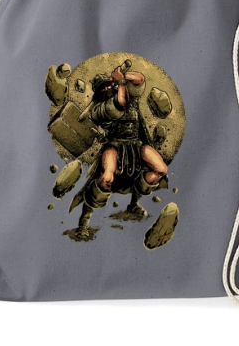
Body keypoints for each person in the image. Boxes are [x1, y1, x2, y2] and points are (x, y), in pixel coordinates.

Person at [69, 62, 168, 238]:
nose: (107, 88)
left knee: (160, 169)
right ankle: (85, 219)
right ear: (98, 93)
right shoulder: (99, 110)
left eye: (109, 85)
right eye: (103, 88)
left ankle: (134, 203)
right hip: (114, 146)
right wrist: (121, 81)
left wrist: (123, 76)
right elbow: (120, 104)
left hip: (136, 144)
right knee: (106, 178)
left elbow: (140, 79)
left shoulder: (130, 95)